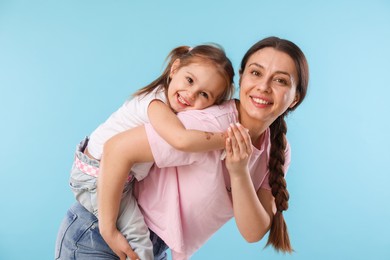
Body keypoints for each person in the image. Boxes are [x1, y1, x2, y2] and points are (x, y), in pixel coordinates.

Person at [55, 36, 309, 260]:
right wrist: (107, 228)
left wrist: (239, 170)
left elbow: (253, 231)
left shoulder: (278, 146)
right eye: (256, 73)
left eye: (280, 81)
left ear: (295, 97)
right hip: (102, 232)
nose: (263, 86)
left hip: (148, 241)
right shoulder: (204, 123)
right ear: (242, 78)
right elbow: (117, 149)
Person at [65, 44, 235, 260]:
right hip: (94, 176)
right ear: (175, 69)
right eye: (189, 80)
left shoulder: (170, 108)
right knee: (139, 243)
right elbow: (180, 139)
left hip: (108, 176)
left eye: (204, 94)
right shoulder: (155, 104)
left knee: (144, 244)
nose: (190, 94)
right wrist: (228, 138)